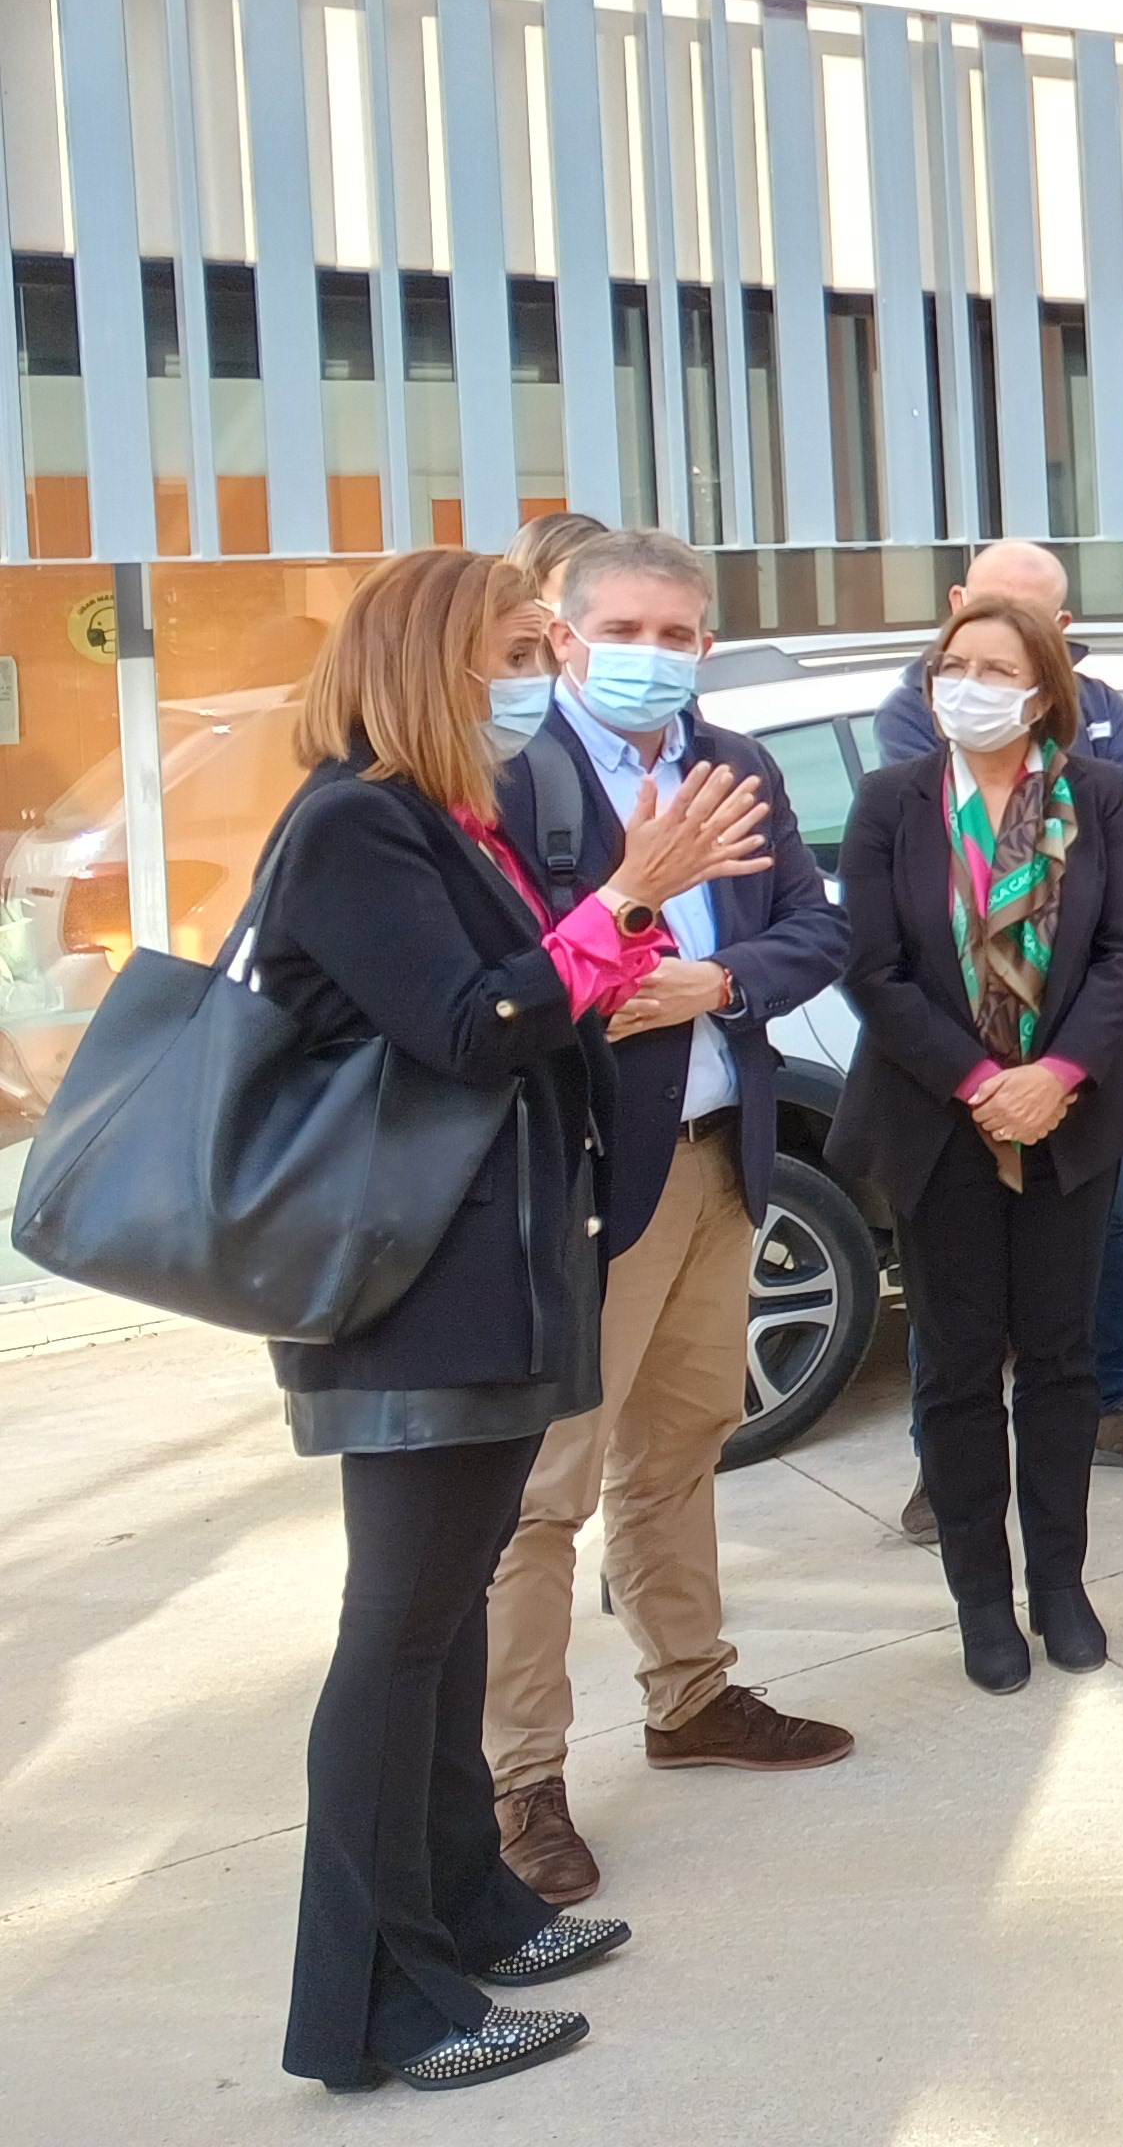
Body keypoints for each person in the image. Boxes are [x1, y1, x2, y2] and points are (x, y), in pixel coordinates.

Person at [260, 547, 767, 2092]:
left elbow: (532, 996)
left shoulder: (443, 816)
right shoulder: (353, 823)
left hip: (494, 1272)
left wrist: (627, 936)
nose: (540, 678)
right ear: (436, 660)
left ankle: (471, 1908)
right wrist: (630, 895)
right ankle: (380, 2007)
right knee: (397, 1637)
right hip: (411, 1291)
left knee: (439, 1625)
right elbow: (471, 1025)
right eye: (518, 652)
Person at [481, 529, 855, 1911]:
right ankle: (519, 1780)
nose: (655, 657)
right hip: (584, 1178)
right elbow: (493, 981)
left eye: (679, 634)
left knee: (685, 1442)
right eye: (627, 631)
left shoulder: (736, 763)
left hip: (720, 1155)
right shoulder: (512, 775)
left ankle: (690, 1694)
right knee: (542, 1495)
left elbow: (815, 928)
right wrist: (616, 962)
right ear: (565, 636)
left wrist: (720, 984)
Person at [829, 595, 1123, 1692]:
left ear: (1041, 691)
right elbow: (874, 970)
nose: (966, 685)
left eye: (994, 668)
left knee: (1062, 1362)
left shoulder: (1093, 795)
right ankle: (981, 1597)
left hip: (1069, 1118)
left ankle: (1060, 1583)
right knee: (958, 1368)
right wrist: (980, 1083)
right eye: (952, 664)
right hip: (940, 1121)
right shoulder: (892, 800)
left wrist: (1054, 1077)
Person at [874, 537, 1123, 1541]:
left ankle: (1111, 1405)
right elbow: (930, 878)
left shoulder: (1101, 723)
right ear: (956, 605)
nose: (981, 671)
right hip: (953, 1057)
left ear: (1059, 636)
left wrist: (1058, 1068)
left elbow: (1119, 861)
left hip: (1079, 1051)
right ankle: (944, 1465)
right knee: (954, 1290)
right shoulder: (912, 715)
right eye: (982, 622)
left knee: (1102, 1238)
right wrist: (985, 1078)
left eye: (1029, 625)